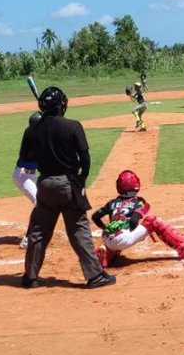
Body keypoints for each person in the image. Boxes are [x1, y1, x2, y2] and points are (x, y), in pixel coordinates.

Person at [20, 85, 115, 290]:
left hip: (44, 184)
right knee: (79, 229)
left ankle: (30, 277)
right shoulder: (73, 126)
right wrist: (82, 180)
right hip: (68, 183)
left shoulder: (32, 130)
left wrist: (43, 147)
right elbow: (85, 159)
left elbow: (26, 160)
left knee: (38, 231)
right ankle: (95, 275)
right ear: (62, 105)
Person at [92, 170, 184, 268]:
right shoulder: (139, 201)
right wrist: (138, 235)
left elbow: (95, 217)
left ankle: (107, 255)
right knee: (152, 221)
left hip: (107, 237)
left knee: (116, 243)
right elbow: (133, 220)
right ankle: (183, 247)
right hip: (123, 238)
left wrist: (105, 227)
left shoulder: (112, 202)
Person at [12, 111, 42, 248]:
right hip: (22, 175)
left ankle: (40, 232)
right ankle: (28, 238)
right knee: (40, 203)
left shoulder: (38, 135)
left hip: (32, 175)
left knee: (48, 201)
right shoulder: (30, 136)